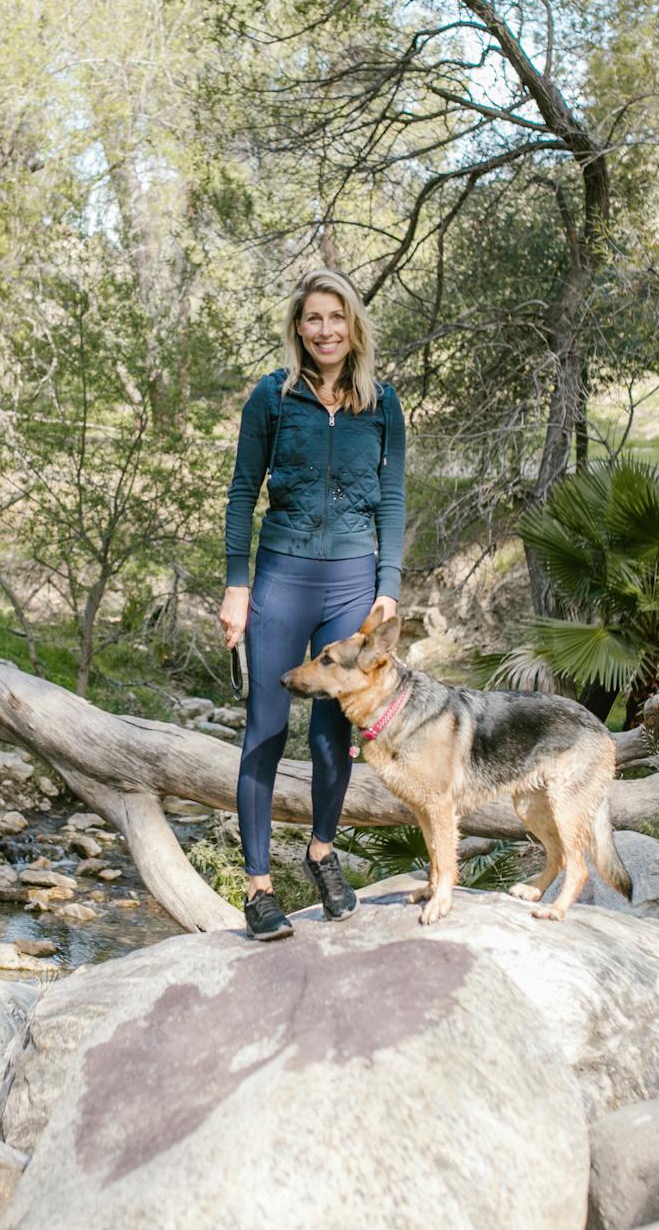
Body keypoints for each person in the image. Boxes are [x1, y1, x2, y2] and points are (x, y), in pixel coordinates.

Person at [220, 268, 405, 941]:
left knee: (333, 741)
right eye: (313, 319)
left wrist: (387, 587)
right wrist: (237, 584)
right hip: (280, 578)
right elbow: (243, 492)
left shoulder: (380, 402)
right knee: (266, 728)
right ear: (298, 329)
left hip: (353, 583)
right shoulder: (272, 398)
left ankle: (323, 853)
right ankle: (259, 886)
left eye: (336, 317)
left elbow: (392, 498)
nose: (325, 330)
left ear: (353, 325)